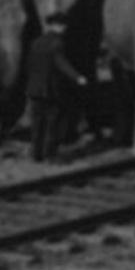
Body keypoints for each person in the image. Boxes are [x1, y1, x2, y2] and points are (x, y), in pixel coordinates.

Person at [26, 13, 87, 163]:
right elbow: (61, 63)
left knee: (37, 123)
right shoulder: (57, 43)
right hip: (51, 90)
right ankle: (49, 154)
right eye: (62, 25)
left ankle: (36, 154)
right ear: (57, 26)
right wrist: (78, 78)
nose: (64, 28)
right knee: (53, 123)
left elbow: (30, 65)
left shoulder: (36, 42)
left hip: (34, 88)